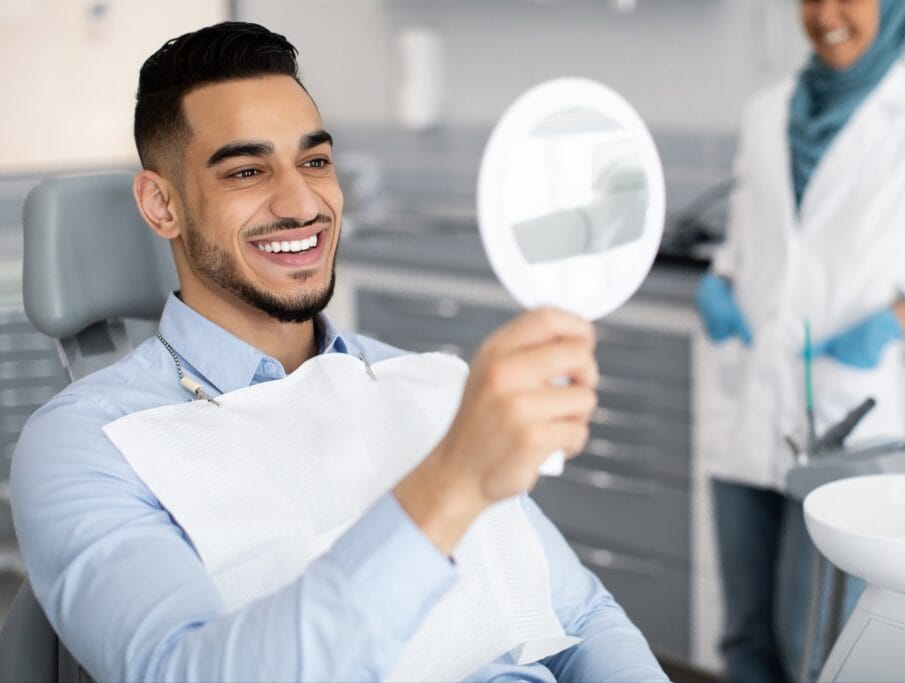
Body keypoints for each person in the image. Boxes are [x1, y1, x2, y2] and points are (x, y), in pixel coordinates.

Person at [10, 21, 668, 682]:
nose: (302, 204)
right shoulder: (87, 444)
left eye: (315, 161)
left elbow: (582, 621)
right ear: (161, 204)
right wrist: (451, 481)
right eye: (246, 170)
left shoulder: (428, 383)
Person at [696, 1, 905, 681]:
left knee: (817, 647)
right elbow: (747, 247)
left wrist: (894, 318)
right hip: (751, 409)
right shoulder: (766, 113)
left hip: (851, 422)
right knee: (743, 640)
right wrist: (719, 282)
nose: (826, 14)